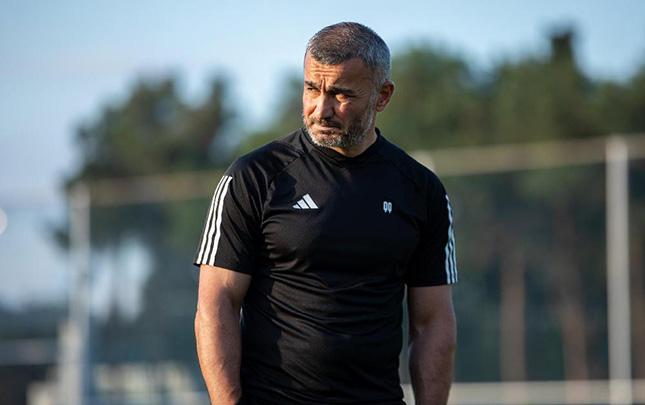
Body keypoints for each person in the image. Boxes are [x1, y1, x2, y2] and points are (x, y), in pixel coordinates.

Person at [193, 22, 457, 405]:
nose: (321, 109)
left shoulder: (421, 190)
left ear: (382, 96)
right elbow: (216, 304)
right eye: (311, 89)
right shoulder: (254, 177)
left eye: (341, 94)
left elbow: (433, 322)